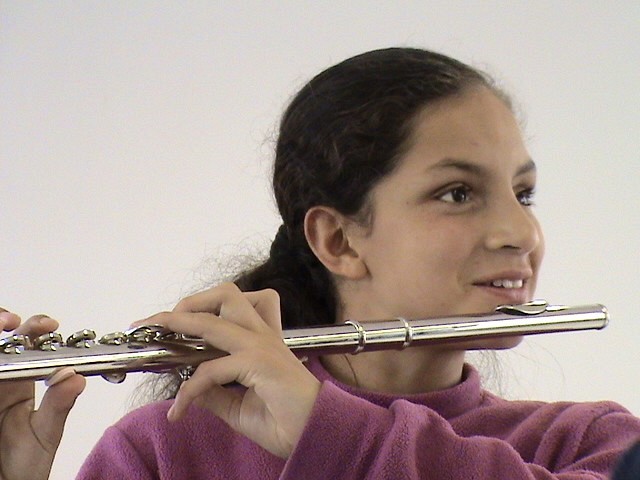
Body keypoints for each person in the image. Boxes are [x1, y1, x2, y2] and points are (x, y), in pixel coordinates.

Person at [1, 47, 639, 479]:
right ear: (337, 240)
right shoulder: (167, 451)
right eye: (458, 194)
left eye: (523, 194)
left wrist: (331, 432)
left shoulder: (591, 446)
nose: (520, 231)